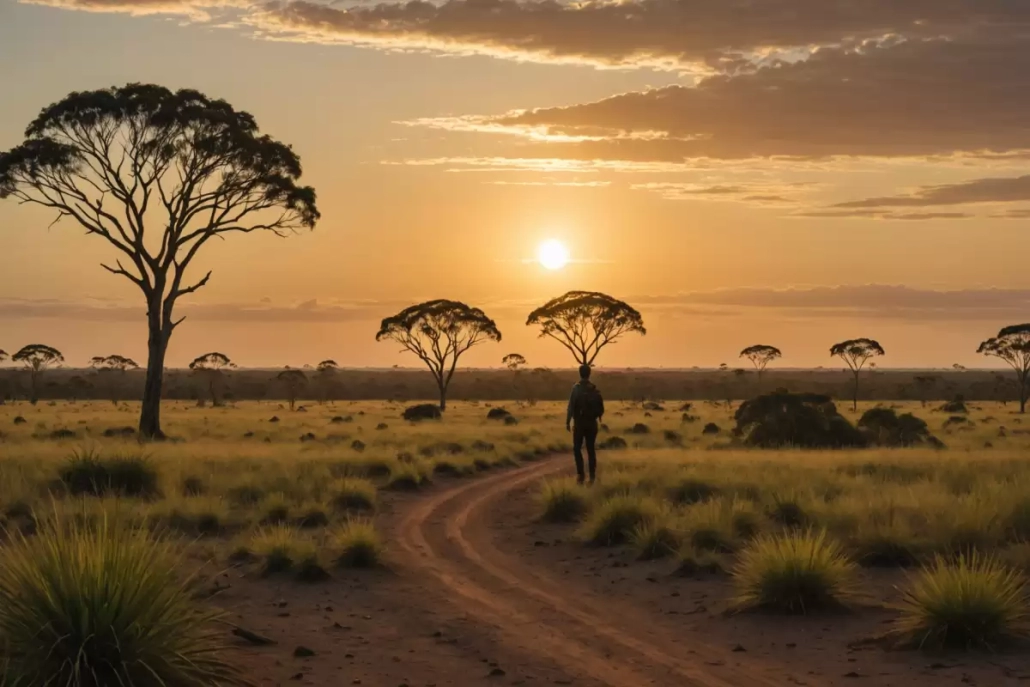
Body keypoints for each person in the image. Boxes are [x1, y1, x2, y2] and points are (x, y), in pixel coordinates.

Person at [566, 363, 604, 484]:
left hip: (580, 423)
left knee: (577, 448)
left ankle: (581, 474)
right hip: (592, 423)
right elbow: (600, 408)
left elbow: (571, 407)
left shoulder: (576, 388)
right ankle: (592, 475)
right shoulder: (593, 388)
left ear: (579, 373)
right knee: (591, 449)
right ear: (589, 373)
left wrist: (567, 421)